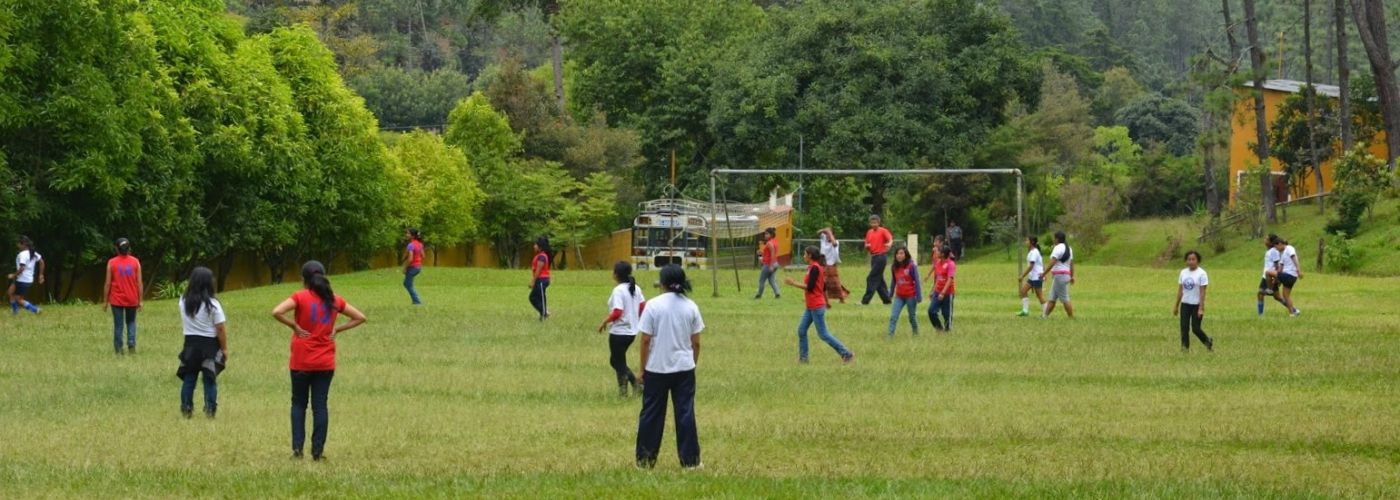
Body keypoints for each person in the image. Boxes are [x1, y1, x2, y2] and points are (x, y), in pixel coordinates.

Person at [271, 261, 368, 461]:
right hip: (325, 362)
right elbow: (360, 317)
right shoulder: (334, 300)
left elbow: (277, 311)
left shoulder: (300, 297)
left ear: (304, 279)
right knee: (320, 406)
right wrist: (337, 329)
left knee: (298, 404)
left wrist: (294, 326)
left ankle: (297, 450)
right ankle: (318, 451)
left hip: (301, 360)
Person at [635, 265, 703, 469]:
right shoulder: (690, 306)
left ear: (662, 282)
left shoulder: (653, 306)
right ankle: (690, 462)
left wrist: (642, 369)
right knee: (685, 413)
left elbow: (645, 340)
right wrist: (692, 363)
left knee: (651, 414)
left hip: (657, 368)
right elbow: (696, 342)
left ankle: (645, 461)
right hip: (684, 368)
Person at [785, 246, 855, 364]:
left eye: (805, 254)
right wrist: (826, 301)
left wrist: (793, 283)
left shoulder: (815, 268)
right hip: (811, 306)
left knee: (823, 334)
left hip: (816, 306)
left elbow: (811, 287)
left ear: (810, 256)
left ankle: (846, 354)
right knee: (801, 330)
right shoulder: (812, 268)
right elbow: (822, 287)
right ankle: (803, 359)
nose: (803, 256)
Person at [176, 267, 228, 418]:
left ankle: (186, 408)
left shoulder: (183, 301)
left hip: (190, 345)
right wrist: (224, 349)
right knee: (209, 379)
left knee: (189, 378)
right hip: (210, 347)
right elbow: (220, 329)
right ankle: (210, 409)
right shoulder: (213, 304)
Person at [598, 261, 646, 397]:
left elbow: (617, 312)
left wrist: (604, 322)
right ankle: (625, 390)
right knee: (619, 361)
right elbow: (643, 307)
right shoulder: (636, 288)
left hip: (619, 332)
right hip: (632, 331)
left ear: (616, 274)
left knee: (616, 361)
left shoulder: (618, 290)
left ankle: (634, 384)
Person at [103, 238, 143, 354]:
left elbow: (107, 283)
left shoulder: (111, 262)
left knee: (118, 325)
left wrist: (105, 301)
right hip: (132, 298)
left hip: (116, 300)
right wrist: (141, 300)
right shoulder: (136, 262)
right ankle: (131, 344)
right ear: (129, 248)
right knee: (131, 322)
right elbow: (139, 283)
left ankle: (119, 349)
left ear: (116, 249)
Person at [1173, 251, 1213, 352]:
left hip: (1196, 305)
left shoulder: (1202, 274)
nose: (1191, 261)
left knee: (1195, 328)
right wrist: (1176, 306)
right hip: (1185, 304)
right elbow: (1180, 290)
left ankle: (1207, 341)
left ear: (1197, 260)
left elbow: (1203, 292)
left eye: (1193, 259)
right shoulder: (1183, 272)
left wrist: (1201, 308)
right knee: (1184, 327)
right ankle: (1185, 348)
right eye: (1189, 259)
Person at [886, 246, 922, 337]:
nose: (899, 255)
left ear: (905, 255)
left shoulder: (911, 266)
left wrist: (919, 296)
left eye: (901, 253)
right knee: (893, 316)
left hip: (910, 296)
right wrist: (890, 294)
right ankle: (890, 336)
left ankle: (916, 333)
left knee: (912, 317)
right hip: (899, 296)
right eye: (897, 253)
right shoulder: (894, 267)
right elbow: (894, 281)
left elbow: (917, 281)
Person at [861, 215, 893, 305]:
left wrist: (889, 244)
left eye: (875, 222)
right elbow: (866, 244)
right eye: (872, 222)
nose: (874, 224)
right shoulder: (869, 232)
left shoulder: (883, 231)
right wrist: (867, 246)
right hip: (873, 257)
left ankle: (865, 301)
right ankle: (887, 300)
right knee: (879, 280)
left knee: (871, 278)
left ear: (879, 223)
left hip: (881, 257)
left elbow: (890, 239)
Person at [1042, 231, 1074, 319]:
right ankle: (1044, 317)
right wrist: (1072, 276)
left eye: (1054, 238)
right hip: (1064, 275)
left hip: (1060, 276)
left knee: (1065, 298)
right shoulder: (1069, 248)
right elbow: (1071, 264)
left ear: (1057, 239)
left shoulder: (1057, 247)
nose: (1053, 240)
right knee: (1052, 298)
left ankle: (1071, 317)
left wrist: (1044, 274)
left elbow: (1052, 262)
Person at [8, 235, 43, 315]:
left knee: (18, 299)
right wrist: (41, 275)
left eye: (18, 243)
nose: (17, 245)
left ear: (23, 244)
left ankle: (36, 310)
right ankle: (15, 312)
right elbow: (41, 262)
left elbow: (22, 268)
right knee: (10, 292)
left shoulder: (23, 254)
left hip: (22, 280)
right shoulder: (33, 252)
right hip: (24, 279)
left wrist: (13, 275)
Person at [927, 245, 956, 331]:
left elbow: (950, 279)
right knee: (931, 311)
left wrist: (943, 293)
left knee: (946, 314)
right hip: (937, 292)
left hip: (948, 293)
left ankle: (948, 331)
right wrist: (933, 291)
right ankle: (939, 329)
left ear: (943, 254)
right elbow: (938, 279)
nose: (936, 253)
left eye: (938, 251)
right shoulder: (938, 263)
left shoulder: (951, 264)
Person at [1256, 234, 1286, 317]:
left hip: (1270, 277)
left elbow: (1277, 265)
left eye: (1266, 239)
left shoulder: (1274, 251)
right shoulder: (1269, 251)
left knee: (1262, 294)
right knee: (1275, 297)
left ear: (1271, 242)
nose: (1264, 240)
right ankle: (1293, 309)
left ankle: (1293, 309)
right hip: (1265, 276)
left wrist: (1276, 278)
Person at [818, 228, 849, 303]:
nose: (827, 236)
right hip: (823, 264)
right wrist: (824, 230)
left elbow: (834, 244)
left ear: (833, 235)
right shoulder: (823, 241)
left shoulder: (836, 242)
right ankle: (822, 298)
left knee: (835, 282)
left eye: (830, 235)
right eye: (826, 235)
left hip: (831, 265)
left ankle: (841, 298)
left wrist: (829, 233)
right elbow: (818, 233)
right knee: (822, 282)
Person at [1017, 236, 1046, 317]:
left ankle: (1045, 314)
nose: (1025, 242)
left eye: (1026, 240)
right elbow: (1041, 263)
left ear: (1032, 242)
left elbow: (1031, 266)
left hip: (1037, 277)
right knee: (1023, 291)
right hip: (1032, 277)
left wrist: (1022, 276)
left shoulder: (1034, 252)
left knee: (1039, 296)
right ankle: (1025, 311)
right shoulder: (1032, 251)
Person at [1273, 238, 1302, 317]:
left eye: (1276, 247)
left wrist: (1298, 270)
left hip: (1290, 275)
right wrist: (1278, 279)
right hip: (1290, 276)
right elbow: (1280, 269)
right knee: (1286, 296)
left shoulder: (1289, 248)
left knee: (1268, 272)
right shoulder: (1283, 254)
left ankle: (1270, 288)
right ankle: (1292, 313)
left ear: (1280, 244)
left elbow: (1294, 258)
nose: (1277, 249)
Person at [529, 236, 552, 320]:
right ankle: (543, 313)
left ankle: (544, 312)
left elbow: (538, 270)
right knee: (540, 297)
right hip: (541, 280)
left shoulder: (542, 256)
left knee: (533, 297)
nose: (534, 246)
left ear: (540, 247)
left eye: (535, 244)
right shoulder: (540, 255)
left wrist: (533, 281)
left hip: (542, 280)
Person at [753, 228, 780, 299]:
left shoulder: (769, 243)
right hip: (776, 263)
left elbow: (772, 253)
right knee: (772, 280)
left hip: (769, 264)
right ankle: (777, 293)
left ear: (771, 234)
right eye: (765, 233)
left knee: (761, 280)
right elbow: (769, 253)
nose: (765, 235)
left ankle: (759, 295)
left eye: (767, 233)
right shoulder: (775, 241)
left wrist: (770, 266)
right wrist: (761, 253)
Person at [402, 229, 424, 305]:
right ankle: (416, 301)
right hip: (418, 267)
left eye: (408, 234)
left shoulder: (411, 245)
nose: (406, 235)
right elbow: (423, 256)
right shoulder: (420, 244)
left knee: (407, 284)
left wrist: (405, 267)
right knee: (408, 283)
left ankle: (417, 301)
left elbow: (410, 259)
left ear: (412, 236)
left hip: (412, 267)